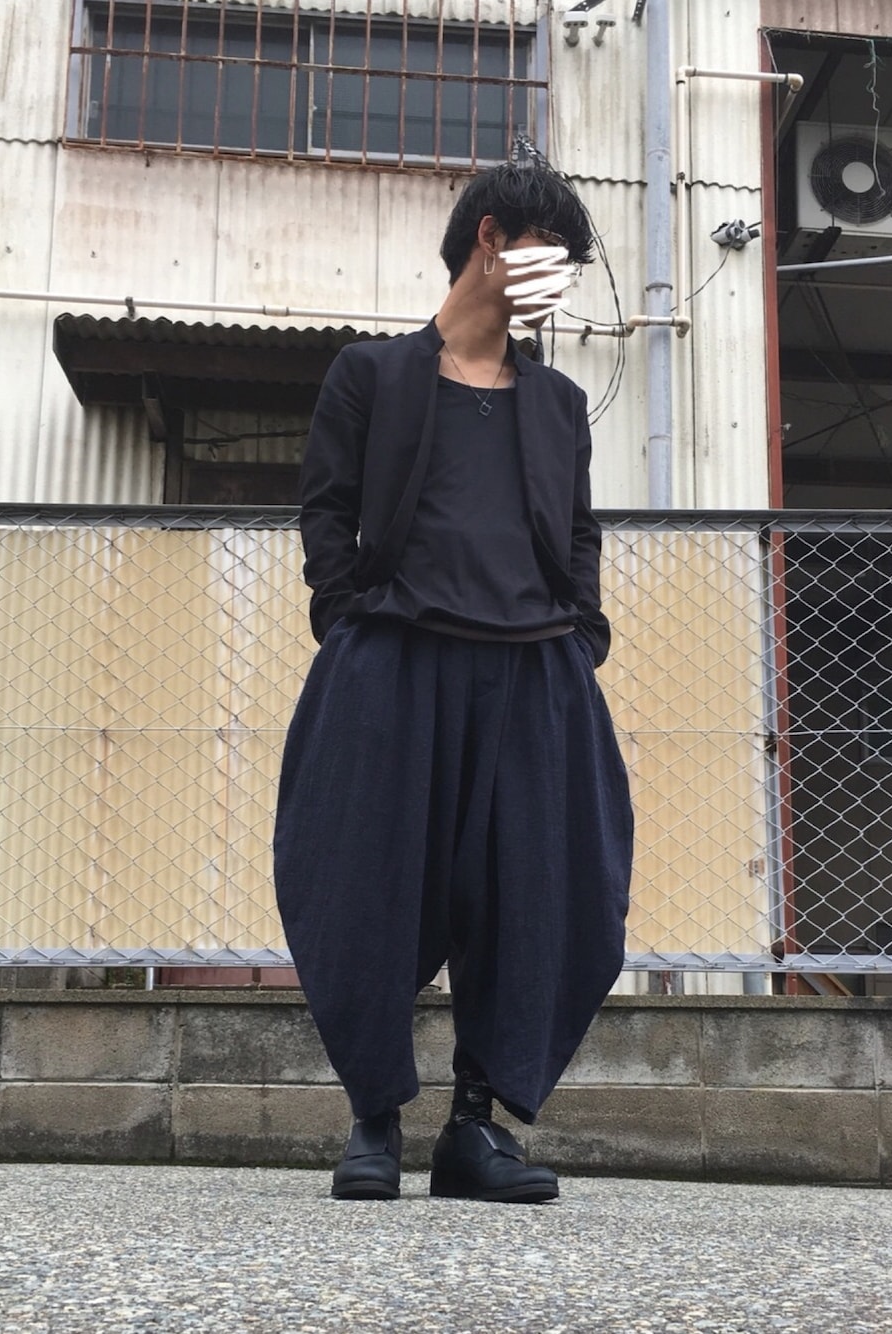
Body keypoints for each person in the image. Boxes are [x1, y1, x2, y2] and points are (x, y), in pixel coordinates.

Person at [273, 162, 633, 1204]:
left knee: (538, 888)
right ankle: (373, 1118)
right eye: (549, 256)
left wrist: (582, 633)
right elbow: (326, 508)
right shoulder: (371, 375)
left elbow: (577, 530)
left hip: (533, 669)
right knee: (367, 877)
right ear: (491, 239)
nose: (559, 283)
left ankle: (475, 1128)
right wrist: (347, 621)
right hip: (397, 658)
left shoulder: (558, 402)